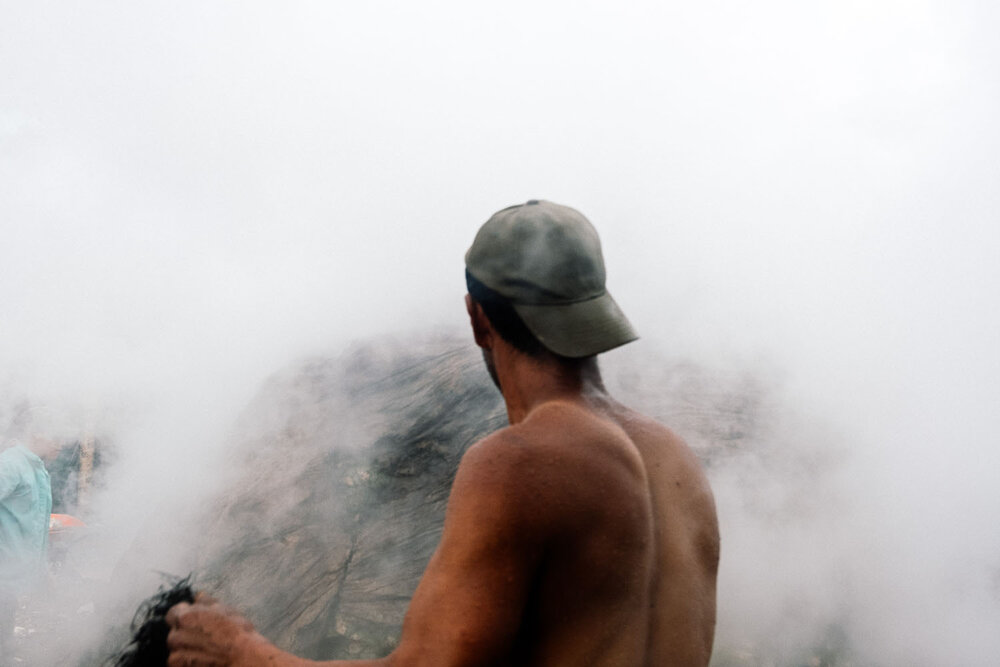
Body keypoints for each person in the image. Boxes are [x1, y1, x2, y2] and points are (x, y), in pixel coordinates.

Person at [167, 200, 720, 666]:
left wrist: (243, 650)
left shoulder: (520, 461)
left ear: (478, 318)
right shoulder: (676, 463)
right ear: (597, 307)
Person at [0, 405, 54, 660]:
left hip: (12, 577)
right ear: (37, 434)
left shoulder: (37, 468)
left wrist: (41, 568)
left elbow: (35, 526)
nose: (62, 444)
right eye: (57, 436)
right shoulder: (11, 463)